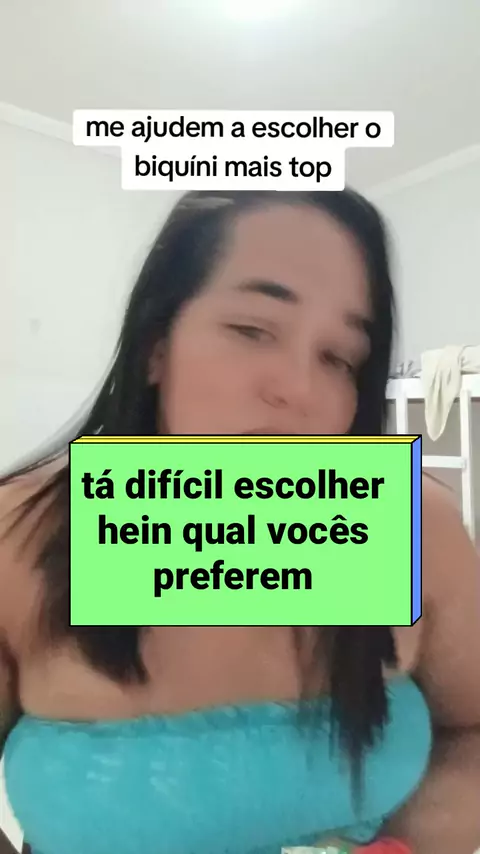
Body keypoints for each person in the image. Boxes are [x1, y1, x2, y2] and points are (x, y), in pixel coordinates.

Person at [0, 190, 479, 854]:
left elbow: (471, 733)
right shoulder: (20, 537)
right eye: (252, 330)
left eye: (340, 358)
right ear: (157, 345)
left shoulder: (416, 526)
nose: (301, 390)